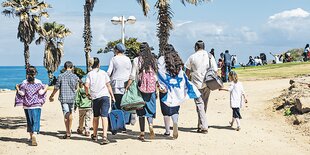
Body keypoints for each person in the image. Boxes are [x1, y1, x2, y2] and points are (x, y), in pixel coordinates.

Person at [158, 44, 201, 139]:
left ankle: (167, 131)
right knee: (175, 108)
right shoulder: (177, 58)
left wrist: (161, 84)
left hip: (165, 88)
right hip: (177, 88)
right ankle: (175, 122)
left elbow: (159, 72)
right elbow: (181, 74)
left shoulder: (161, 59)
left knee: (165, 110)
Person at [126, 42, 158, 141]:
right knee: (150, 108)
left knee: (141, 110)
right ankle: (151, 124)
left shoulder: (136, 60)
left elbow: (132, 75)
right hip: (151, 88)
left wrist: (127, 86)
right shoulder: (153, 60)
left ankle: (142, 133)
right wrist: (156, 89)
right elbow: (156, 76)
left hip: (140, 88)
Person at [185, 40, 218, 133]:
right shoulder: (210, 56)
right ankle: (200, 125)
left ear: (196, 47)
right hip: (208, 84)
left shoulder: (192, 57)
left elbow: (187, 71)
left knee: (199, 105)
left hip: (196, 84)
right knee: (204, 105)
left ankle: (204, 126)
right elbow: (215, 70)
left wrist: (186, 82)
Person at [84, 57, 115, 145]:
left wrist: (87, 94)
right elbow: (108, 85)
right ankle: (104, 137)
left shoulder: (90, 74)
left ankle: (95, 134)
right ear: (99, 64)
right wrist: (112, 96)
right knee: (104, 116)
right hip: (105, 96)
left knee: (96, 116)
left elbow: (86, 85)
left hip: (95, 97)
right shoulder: (103, 73)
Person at [15, 66, 48, 146]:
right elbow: (41, 93)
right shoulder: (39, 82)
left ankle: (31, 136)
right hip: (37, 105)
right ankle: (34, 135)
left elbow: (22, 93)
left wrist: (17, 88)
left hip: (27, 105)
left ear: (27, 73)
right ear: (35, 73)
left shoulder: (24, 82)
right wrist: (46, 88)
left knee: (29, 121)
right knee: (36, 120)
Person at [49, 61, 79, 139]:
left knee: (66, 114)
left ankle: (68, 132)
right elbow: (76, 87)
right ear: (72, 67)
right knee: (70, 113)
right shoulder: (75, 76)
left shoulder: (60, 76)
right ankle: (69, 130)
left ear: (65, 67)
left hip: (63, 98)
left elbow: (56, 87)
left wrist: (52, 95)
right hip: (72, 98)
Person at [107, 43, 132, 109]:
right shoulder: (128, 59)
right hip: (126, 83)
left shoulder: (114, 59)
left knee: (116, 104)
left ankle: (117, 118)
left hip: (116, 84)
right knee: (125, 104)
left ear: (117, 50)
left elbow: (109, 72)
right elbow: (130, 72)